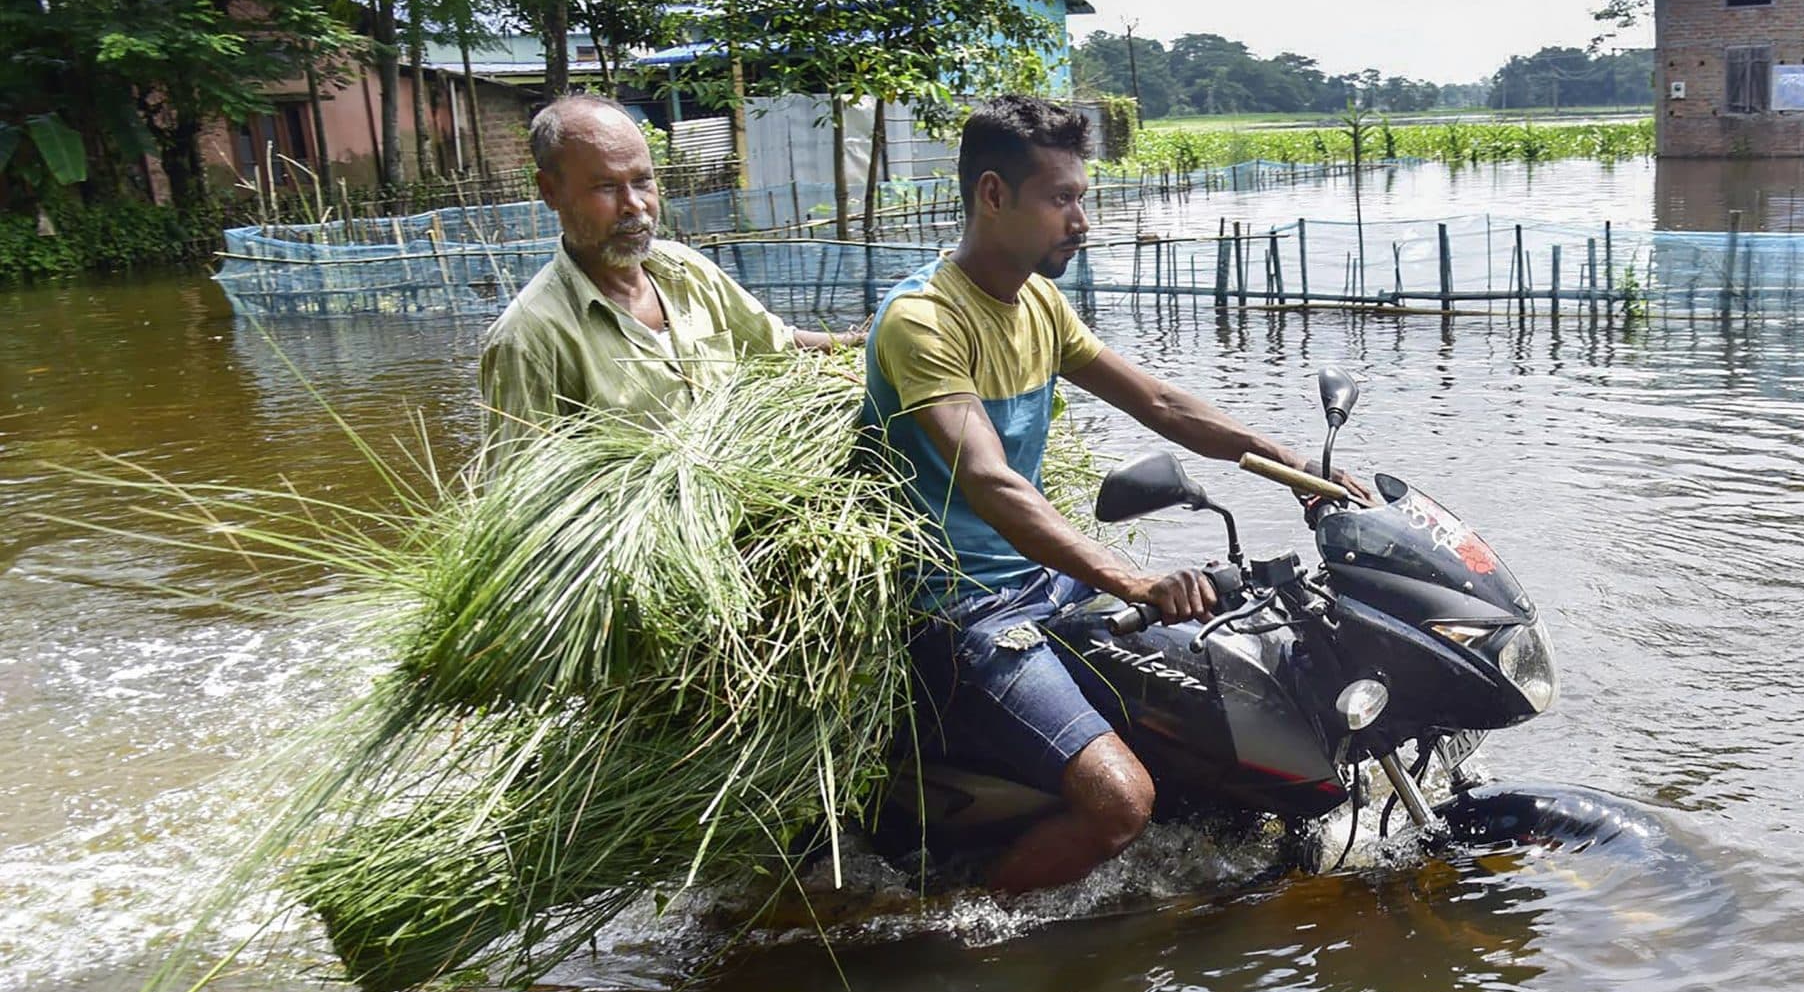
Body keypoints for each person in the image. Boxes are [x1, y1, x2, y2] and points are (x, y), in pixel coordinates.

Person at [865, 95, 1356, 895]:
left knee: (1224, 695)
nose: (1082, 219)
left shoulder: (1038, 302)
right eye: (1062, 199)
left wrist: (1294, 466)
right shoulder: (923, 320)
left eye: (1082, 198)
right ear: (994, 195)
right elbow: (988, 481)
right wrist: (1131, 579)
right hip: (963, 605)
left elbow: (1159, 404)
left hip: (1043, 581)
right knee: (1120, 803)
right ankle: (955, 932)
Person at [478, 94, 857, 462]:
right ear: (550, 191)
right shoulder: (529, 337)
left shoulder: (686, 271)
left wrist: (863, 343)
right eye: (606, 187)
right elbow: (523, 494)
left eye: (642, 181)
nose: (635, 205)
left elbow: (774, 345)